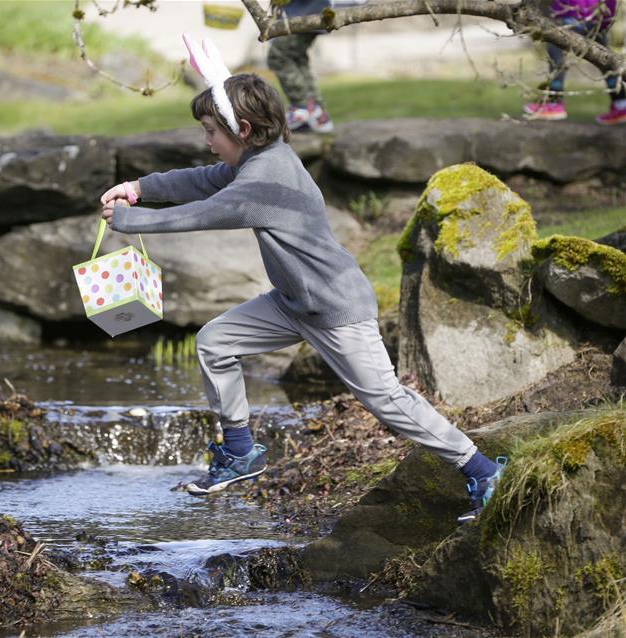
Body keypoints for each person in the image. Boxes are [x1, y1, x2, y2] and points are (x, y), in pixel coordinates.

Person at [100, 35, 503, 524]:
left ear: (243, 129)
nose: (206, 140)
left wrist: (128, 222)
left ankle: (481, 470)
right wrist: (139, 189)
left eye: (211, 131)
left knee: (387, 403)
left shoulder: (264, 181)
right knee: (215, 342)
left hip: (335, 308)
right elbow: (202, 179)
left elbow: (201, 213)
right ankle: (240, 450)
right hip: (293, 302)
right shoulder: (255, 159)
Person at [524, 0, 625, 125]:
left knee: (556, 52)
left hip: (572, 12)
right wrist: (607, 18)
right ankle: (621, 104)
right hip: (597, 16)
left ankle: (554, 103)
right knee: (604, 59)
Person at [266, 0, 337, 133]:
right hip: (306, 10)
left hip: (305, 12)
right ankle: (317, 113)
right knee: (296, 58)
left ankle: (303, 107)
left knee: (279, 56)